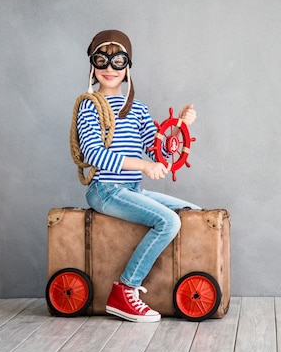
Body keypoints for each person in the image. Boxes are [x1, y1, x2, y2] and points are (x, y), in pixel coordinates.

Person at [75, 29, 200, 323]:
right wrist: (142, 166)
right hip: (105, 190)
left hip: (130, 190)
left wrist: (179, 127)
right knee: (168, 220)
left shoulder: (139, 110)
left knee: (189, 212)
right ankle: (125, 290)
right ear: (92, 66)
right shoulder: (88, 106)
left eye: (117, 60)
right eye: (101, 60)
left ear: (127, 66)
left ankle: (171, 283)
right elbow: (94, 154)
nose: (109, 68)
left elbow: (158, 153)